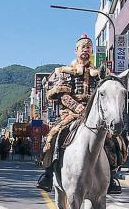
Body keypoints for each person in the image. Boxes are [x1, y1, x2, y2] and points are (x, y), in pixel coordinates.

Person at [37, 34, 102, 192]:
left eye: (88, 48)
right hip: (72, 113)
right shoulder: (67, 72)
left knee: (113, 139)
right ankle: (48, 173)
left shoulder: (99, 73)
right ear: (76, 50)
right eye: (82, 47)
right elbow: (62, 95)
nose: (85, 50)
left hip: (94, 114)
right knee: (54, 135)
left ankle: (111, 174)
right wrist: (79, 108)